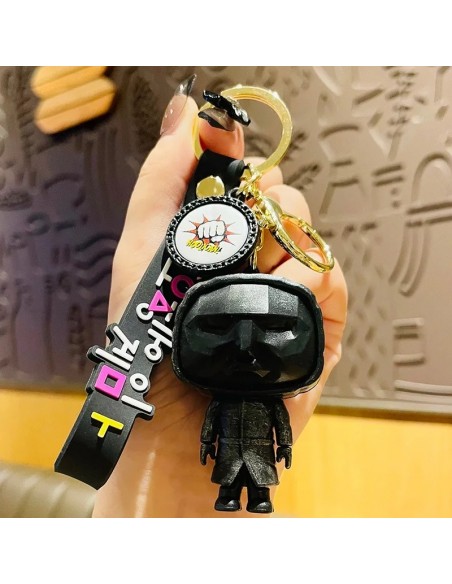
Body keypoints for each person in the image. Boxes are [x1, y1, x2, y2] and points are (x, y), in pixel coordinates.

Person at [92, 77, 348, 518]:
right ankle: (233, 496)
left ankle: (254, 497)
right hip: (181, 418)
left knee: (254, 481)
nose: (246, 346)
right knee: (231, 478)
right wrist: (164, 464)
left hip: (237, 452)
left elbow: (277, 423)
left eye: (274, 327)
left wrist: (281, 447)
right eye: (216, 326)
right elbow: (217, 422)